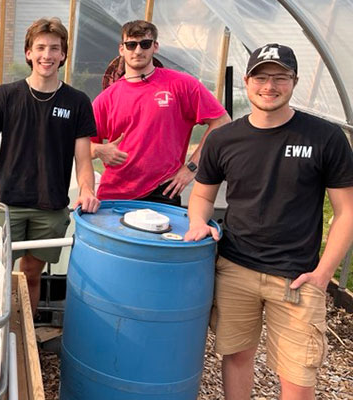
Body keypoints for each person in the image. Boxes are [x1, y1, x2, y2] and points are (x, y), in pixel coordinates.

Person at [185, 44, 353, 399]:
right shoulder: (223, 138)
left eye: (280, 77)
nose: (269, 86)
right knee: (237, 356)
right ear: (247, 81)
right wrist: (199, 223)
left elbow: (346, 212)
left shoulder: (324, 138)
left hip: (297, 277)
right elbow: (202, 195)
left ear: (295, 82)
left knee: (297, 374)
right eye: (261, 77)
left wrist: (323, 275)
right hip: (235, 269)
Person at [0, 18, 100, 313]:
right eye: (40, 48)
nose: (46, 55)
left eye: (54, 48)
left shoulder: (77, 102)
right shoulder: (5, 96)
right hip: (8, 204)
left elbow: (83, 160)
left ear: (63, 55)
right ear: (28, 53)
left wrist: (87, 191)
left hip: (50, 207)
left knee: (31, 275)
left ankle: (25, 336)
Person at [90, 20, 230, 206]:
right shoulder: (106, 98)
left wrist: (191, 167)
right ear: (121, 49)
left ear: (155, 47)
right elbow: (80, 146)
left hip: (163, 191)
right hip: (114, 194)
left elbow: (222, 121)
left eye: (145, 44)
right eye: (131, 45)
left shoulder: (182, 85)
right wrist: (100, 150)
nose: (138, 51)